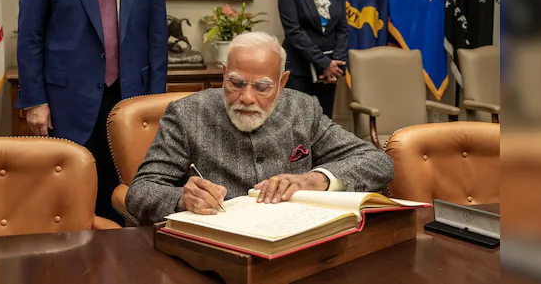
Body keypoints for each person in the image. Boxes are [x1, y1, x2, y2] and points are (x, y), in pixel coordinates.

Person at [17, 0, 168, 223]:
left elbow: (156, 38)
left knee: (126, 194)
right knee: (69, 200)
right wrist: (35, 101)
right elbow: (30, 34)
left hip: (129, 101)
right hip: (66, 103)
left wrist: (156, 105)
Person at [125, 32, 392, 226]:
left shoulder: (303, 109)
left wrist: (314, 180)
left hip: (294, 238)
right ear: (224, 73)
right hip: (219, 246)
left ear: (282, 82)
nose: (247, 98)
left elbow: (378, 162)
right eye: (236, 83)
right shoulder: (186, 114)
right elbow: (140, 191)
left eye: (263, 87)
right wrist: (182, 199)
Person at [278, 0, 349, 118]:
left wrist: (336, 65)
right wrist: (324, 63)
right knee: (297, 121)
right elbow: (294, 32)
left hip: (329, 73)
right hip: (299, 69)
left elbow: (342, 29)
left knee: (323, 122)